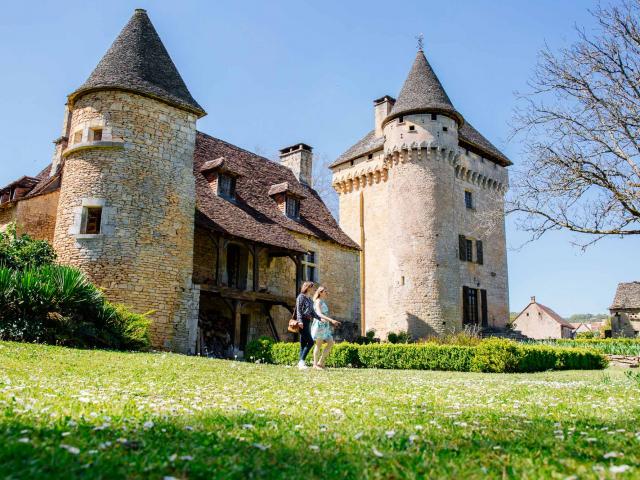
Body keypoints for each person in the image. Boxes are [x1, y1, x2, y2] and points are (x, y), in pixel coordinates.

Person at [311, 286, 340, 369]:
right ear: (320, 292)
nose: (327, 292)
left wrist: (328, 321)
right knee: (319, 344)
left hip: (325, 325)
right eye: (325, 291)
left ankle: (320, 362)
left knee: (330, 342)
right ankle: (315, 365)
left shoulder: (322, 301)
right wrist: (331, 320)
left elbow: (324, 313)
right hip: (319, 324)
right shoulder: (318, 301)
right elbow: (319, 314)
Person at [295, 281, 321, 370]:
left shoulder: (310, 299)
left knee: (303, 344)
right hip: (302, 322)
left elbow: (312, 312)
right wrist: (300, 321)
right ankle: (301, 361)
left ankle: (300, 364)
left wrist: (320, 319)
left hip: (308, 321)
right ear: (307, 287)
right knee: (310, 342)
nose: (313, 289)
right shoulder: (301, 297)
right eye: (312, 287)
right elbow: (298, 310)